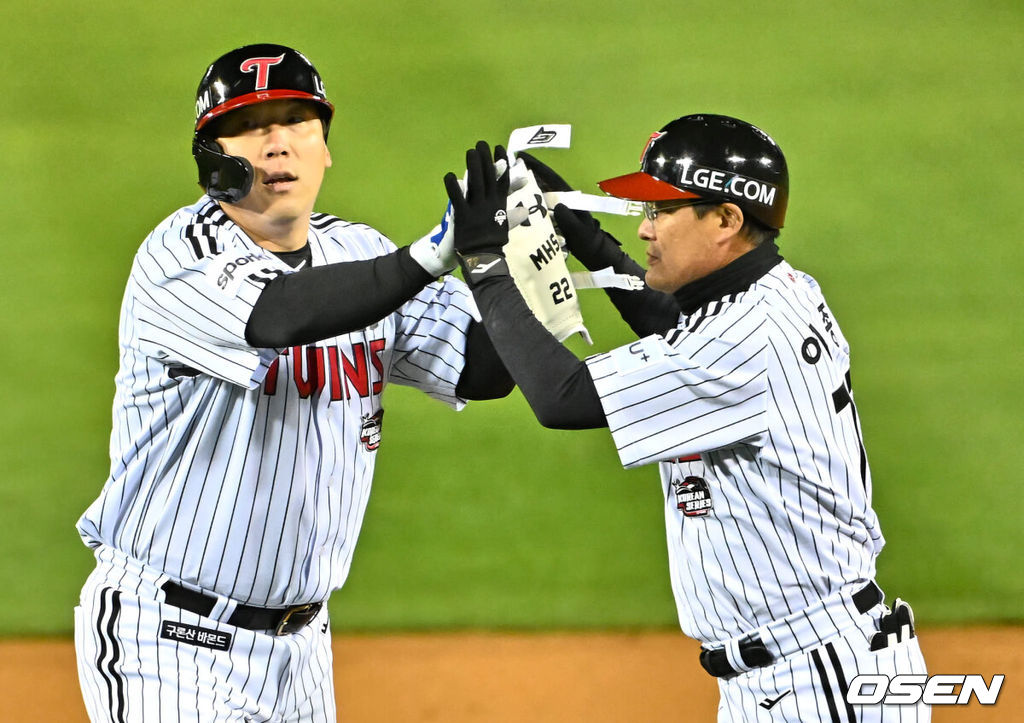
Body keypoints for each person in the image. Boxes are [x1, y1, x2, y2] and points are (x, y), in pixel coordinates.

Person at [74, 43, 512, 722]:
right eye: (253, 124)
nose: (280, 143)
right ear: (211, 156)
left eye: (299, 122)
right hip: (167, 639)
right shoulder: (179, 256)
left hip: (303, 652)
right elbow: (279, 314)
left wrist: (506, 262)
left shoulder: (361, 255)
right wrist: (430, 257)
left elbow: (484, 371)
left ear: (326, 149)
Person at [444, 117, 928, 721]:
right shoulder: (775, 291)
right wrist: (573, 227)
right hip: (802, 666)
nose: (644, 227)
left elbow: (561, 396)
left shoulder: (745, 343)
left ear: (726, 219)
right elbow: (673, 326)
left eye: (661, 211)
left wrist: (484, 260)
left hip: (816, 683)